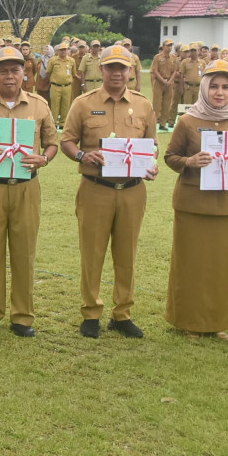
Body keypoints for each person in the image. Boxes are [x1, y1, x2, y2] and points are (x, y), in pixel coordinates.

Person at [60, 44, 158, 339]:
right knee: (92, 253)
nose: (117, 72)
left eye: (122, 67)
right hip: (95, 189)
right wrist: (82, 156)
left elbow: (152, 144)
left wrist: (151, 164)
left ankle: (122, 313)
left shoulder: (143, 105)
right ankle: (91, 312)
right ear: (100, 69)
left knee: (127, 253)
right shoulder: (83, 103)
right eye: (111, 67)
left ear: (131, 71)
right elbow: (67, 141)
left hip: (132, 190)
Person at [0, 46, 59, 337]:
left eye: (15, 70)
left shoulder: (39, 105)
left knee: (24, 251)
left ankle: (22, 316)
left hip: (26, 189)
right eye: (2, 70)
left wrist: (44, 158)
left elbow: (52, 142)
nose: (9, 76)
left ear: (25, 73)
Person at [163, 61, 228, 340]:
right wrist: (189, 161)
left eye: (226, 87)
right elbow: (170, 157)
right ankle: (189, 321)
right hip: (192, 204)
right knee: (191, 263)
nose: (220, 92)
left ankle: (216, 323)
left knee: (221, 265)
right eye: (214, 86)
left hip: (227, 206)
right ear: (204, 88)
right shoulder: (188, 121)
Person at [151, 39, 177, 131]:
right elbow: (155, 70)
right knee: (157, 105)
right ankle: (153, 124)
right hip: (159, 82)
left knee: (167, 104)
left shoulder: (173, 58)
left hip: (169, 82)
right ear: (163, 46)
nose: (169, 47)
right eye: (168, 45)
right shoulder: (157, 57)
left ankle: (163, 124)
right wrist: (163, 81)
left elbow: (175, 71)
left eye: (171, 45)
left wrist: (169, 81)